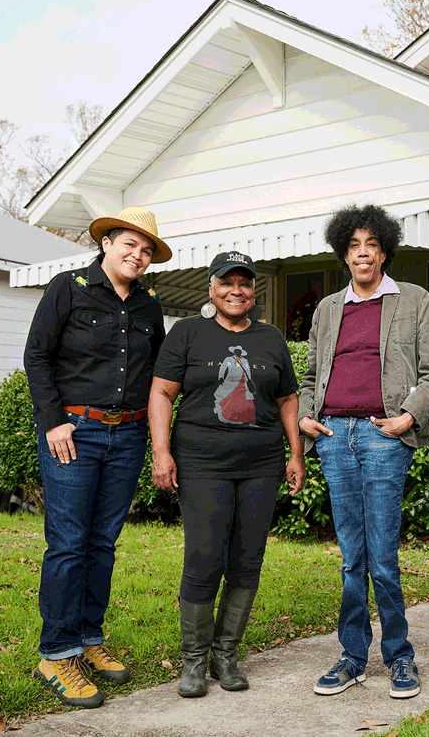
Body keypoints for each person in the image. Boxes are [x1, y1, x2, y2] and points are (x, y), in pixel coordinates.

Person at [23, 207, 171, 708]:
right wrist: (53, 421)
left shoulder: (150, 306)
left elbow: (159, 377)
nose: (138, 254)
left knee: (103, 542)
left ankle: (88, 639)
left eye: (146, 250)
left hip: (126, 437)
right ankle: (56, 653)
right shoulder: (67, 287)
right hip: (75, 432)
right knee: (68, 543)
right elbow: (37, 356)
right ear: (106, 242)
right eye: (130, 243)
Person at [298, 205, 429, 699]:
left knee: (382, 556)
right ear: (345, 254)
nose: (363, 254)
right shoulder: (327, 309)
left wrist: (407, 417)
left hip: (384, 438)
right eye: (354, 246)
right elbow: (310, 375)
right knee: (349, 556)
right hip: (334, 436)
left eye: (372, 246)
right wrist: (304, 418)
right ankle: (353, 656)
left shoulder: (413, 300)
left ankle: (400, 656)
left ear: (384, 252)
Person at [148, 251, 304, 698]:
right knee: (204, 558)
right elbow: (162, 392)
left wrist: (295, 454)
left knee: (247, 559)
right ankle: (194, 661)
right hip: (202, 464)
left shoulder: (271, 338)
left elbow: (288, 399)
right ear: (211, 288)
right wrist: (161, 452)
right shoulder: (188, 333)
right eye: (227, 282)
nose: (236, 290)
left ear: (254, 291)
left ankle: (225, 655)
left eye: (245, 283)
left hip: (260, 466)